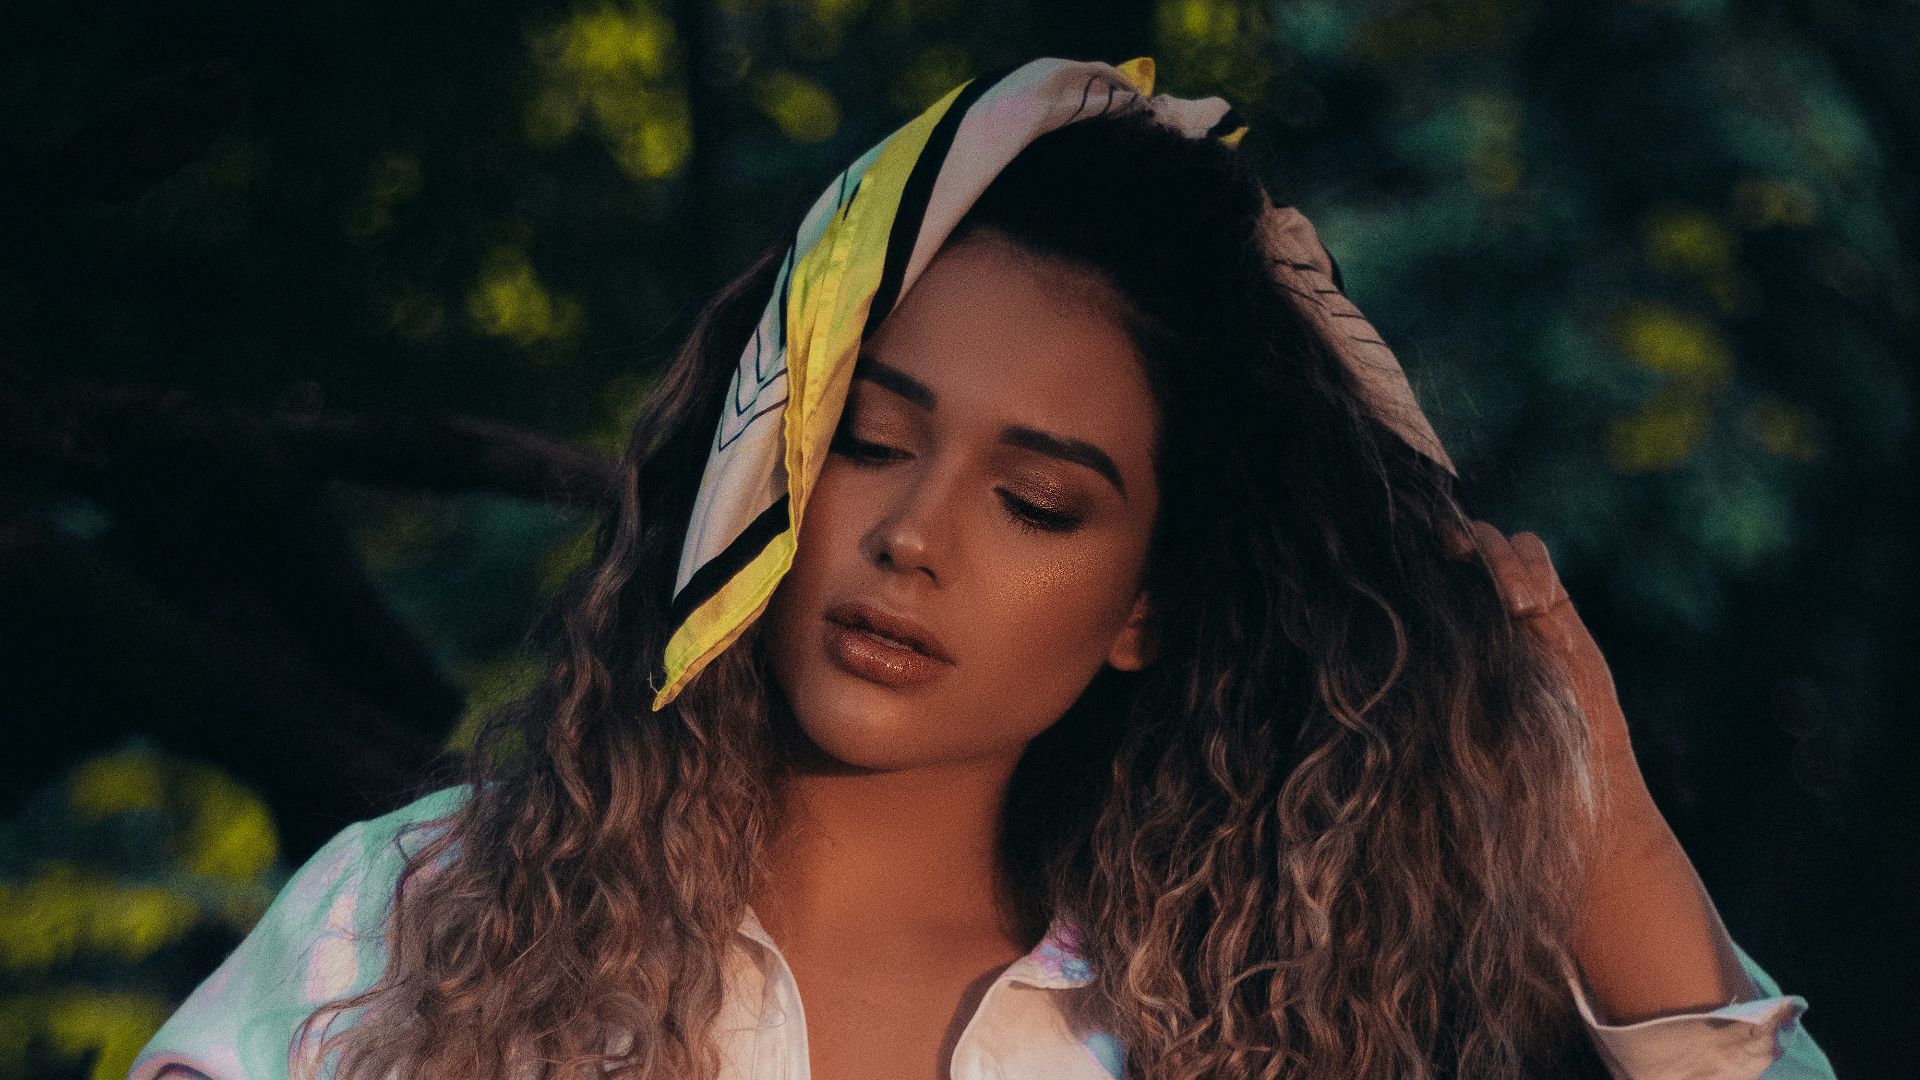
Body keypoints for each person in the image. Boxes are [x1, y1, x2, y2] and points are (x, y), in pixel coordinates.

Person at [129, 56, 1836, 1080]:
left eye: (1037, 502)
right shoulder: (413, 920)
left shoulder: (1245, 1039)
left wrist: (1599, 803)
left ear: (1149, 605)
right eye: (870, 441)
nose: (914, 535)